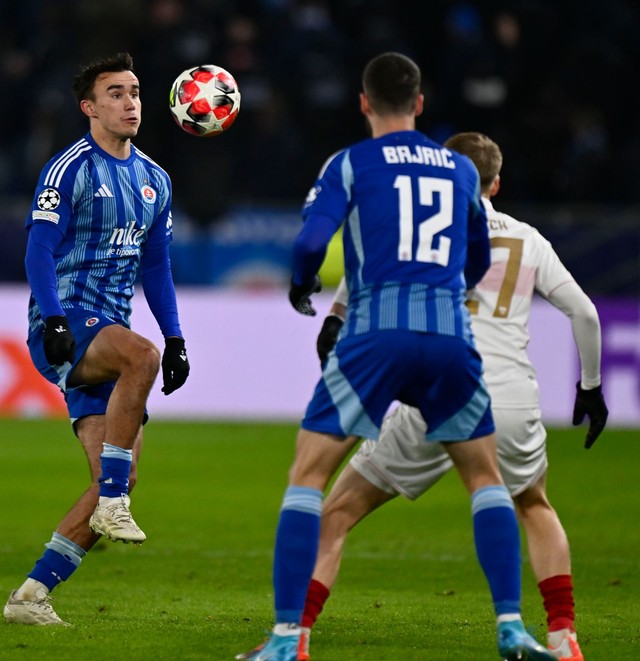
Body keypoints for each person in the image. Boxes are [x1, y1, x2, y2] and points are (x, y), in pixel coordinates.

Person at [240, 132, 609, 661]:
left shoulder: (422, 221)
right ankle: (561, 637)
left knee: (337, 511)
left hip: (438, 380)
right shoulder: (530, 240)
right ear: (496, 182)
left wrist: (338, 315)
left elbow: (381, 264)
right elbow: (586, 314)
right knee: (532, 504)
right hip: (509, 397)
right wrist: (590, 388)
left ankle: (294, 638)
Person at [3, 52, 190, 626]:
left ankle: (30, 596)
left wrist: (177, 337)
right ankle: (113, 503)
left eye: (135, 91)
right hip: (67, 322)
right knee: (142, 358)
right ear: (89, 107)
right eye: (115, 93)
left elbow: (155, 269)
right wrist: (55, 319)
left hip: (110, 331)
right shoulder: (70, 169)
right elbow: (39, 246)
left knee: (119, 476)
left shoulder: (155, 180)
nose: (130, 101)